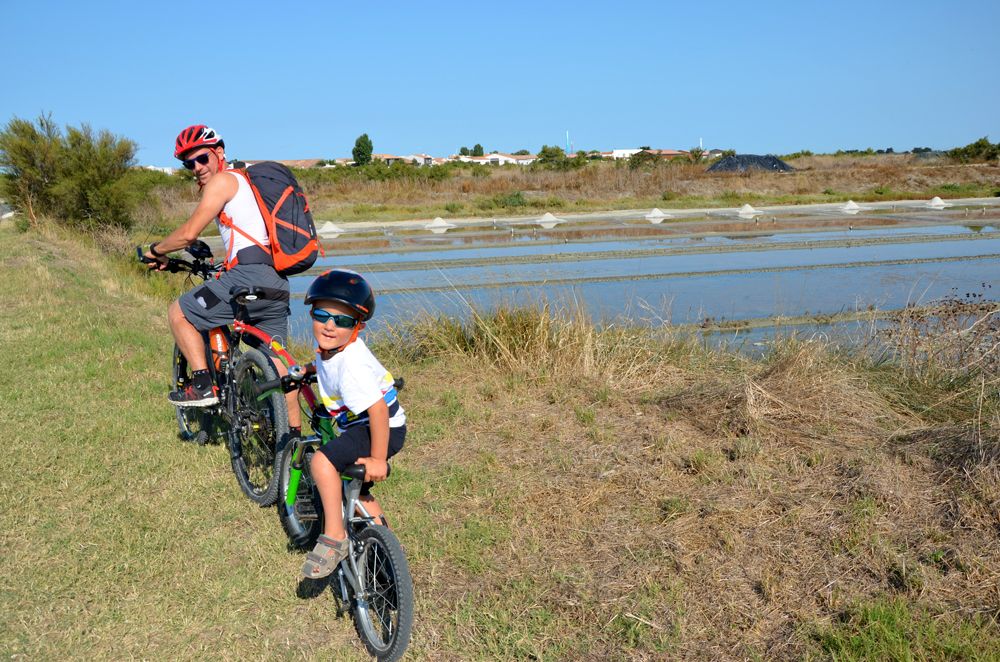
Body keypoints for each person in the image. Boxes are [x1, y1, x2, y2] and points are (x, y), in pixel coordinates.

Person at [143, 125, 300, 431]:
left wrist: (156, 250)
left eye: (201, 159)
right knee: (279, 369)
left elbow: (188, 234)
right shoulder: (250, 186)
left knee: (179, 312)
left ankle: (202, 385)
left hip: (246, 278)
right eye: (188, 164)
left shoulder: (224, 181)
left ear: (219, 153)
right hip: (276, 283)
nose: (197, 168)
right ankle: (294, 446)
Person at [299, 269, 406, 579]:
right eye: (322, 315)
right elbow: (325, 364)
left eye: (343, 320)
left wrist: (377, 458)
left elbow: (377, 411)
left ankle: (334, 538)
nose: (330, 326)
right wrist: (308, 369)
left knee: (322, 463)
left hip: (378, 427)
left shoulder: (351, 365)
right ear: (312, 314)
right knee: (359, 492)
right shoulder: (332, 349)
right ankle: (389, 560)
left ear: (357, 327)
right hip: (376, 425)